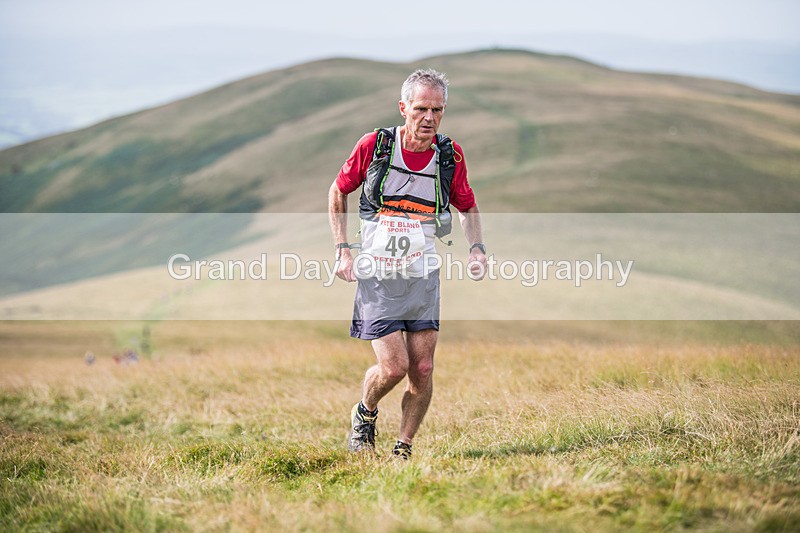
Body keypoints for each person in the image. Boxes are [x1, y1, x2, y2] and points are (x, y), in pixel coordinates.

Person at [328, 68, 486, 459]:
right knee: (394, 368)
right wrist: (343, 250)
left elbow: (467, 206)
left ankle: (404, 447)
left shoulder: (449, 155)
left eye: (437, 109)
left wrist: (477, 248)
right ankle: (365, 412)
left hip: (422, 275)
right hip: (378, 275)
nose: (429, 118)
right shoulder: (376, 146)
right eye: (420, 108)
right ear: (403, 108)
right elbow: (338, 190)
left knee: (424, 369)